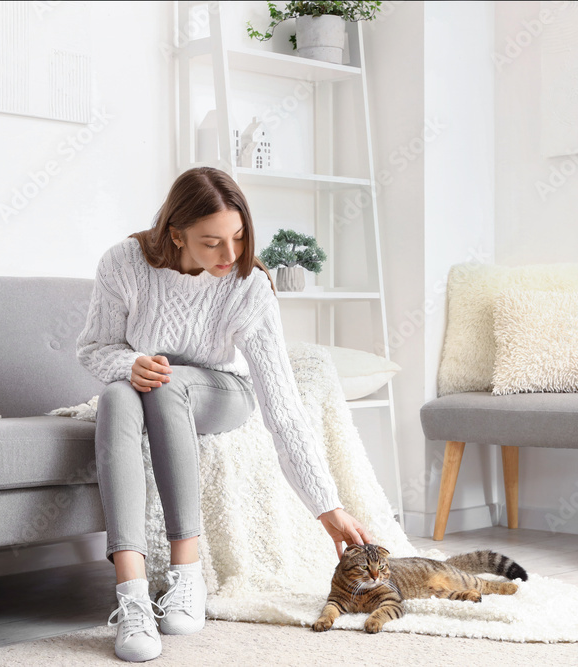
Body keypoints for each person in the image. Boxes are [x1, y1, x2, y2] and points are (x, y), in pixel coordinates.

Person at [76, 167, 373, 662]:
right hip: (152, 385)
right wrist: (130, 363)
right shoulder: (124, 263)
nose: (231, 255)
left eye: (238, 237)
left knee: (166, 386)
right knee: (116, 396)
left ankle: (186, 576)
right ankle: (132, 598)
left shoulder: (248, 285)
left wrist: (327, 505)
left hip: (222, 391)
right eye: (211, 242)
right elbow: (94, 348)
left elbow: (281, 404)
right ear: (175, 234)